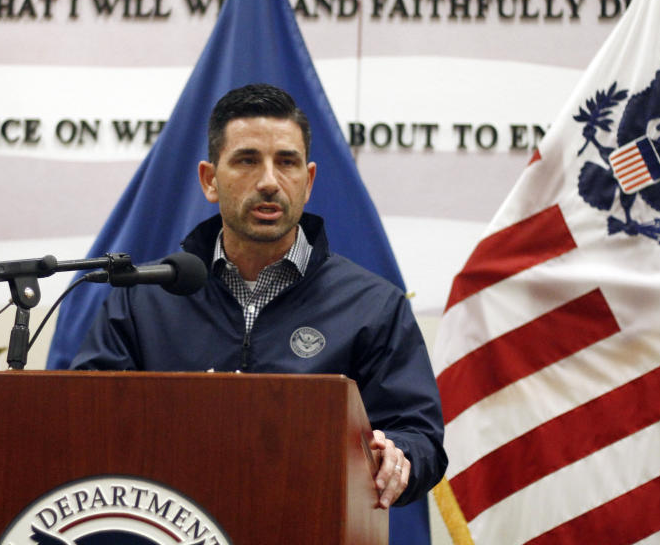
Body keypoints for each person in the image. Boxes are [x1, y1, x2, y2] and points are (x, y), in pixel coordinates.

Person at [71, 83, 447, 508]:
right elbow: (89, 421)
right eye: (247, 160)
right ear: (210, 180)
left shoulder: (373, 305)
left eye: (286, 162)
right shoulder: (144, 298)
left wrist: (399, 456)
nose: (269, 182)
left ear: (307, 182)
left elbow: (419, 437)